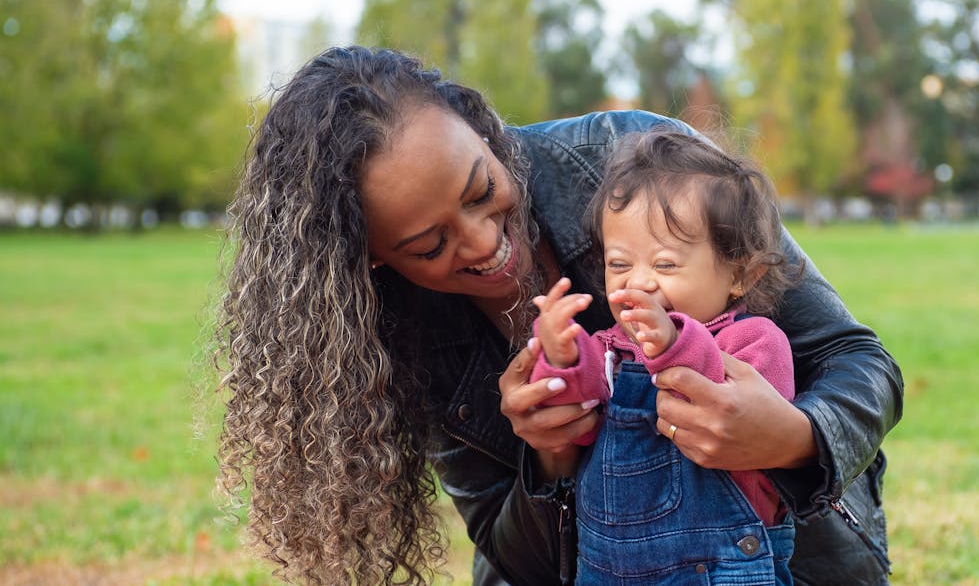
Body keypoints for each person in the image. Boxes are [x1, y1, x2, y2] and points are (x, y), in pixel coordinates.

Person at [214, 45, 902, 585]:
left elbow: (860, 360)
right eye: (429, 244)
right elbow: (519, 560)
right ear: (373, 260)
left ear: (484, 131)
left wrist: (791, 437)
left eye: (483, 189)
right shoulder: (397, 333)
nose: (484, 242)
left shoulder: (645, 170)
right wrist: (549, 457)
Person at [529, 129, 800, 583]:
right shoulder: (609, 349)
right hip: (604, 570)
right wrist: (560, 356)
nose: (639, 283)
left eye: (665, 265)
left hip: (720, 567)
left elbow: (738, 414)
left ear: (741, 275)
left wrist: (675, 345)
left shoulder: (755, 343)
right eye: (619, 265)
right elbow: (577, 422)